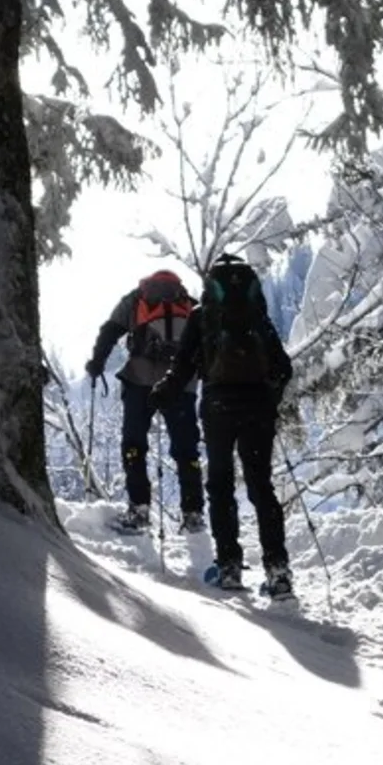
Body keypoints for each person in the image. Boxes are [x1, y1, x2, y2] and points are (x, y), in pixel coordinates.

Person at [151, 254, 294, 596]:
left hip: (218, 408)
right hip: (257, 407)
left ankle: (229, 566)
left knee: (220, 485)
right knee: (262, 486)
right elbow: (283, 367)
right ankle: (278, 571)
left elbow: (183, 366)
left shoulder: (202, 317)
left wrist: (162, 392)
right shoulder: (257, 316)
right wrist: (269, 401)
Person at [86, 269, 205, 534]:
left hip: (139, 380)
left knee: (134, 445)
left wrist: (97, 363)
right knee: (186, 449)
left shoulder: (135, 300)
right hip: (181, 384)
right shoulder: (189, 304)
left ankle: (139, 509)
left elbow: (109, 331)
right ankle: (193, 512)